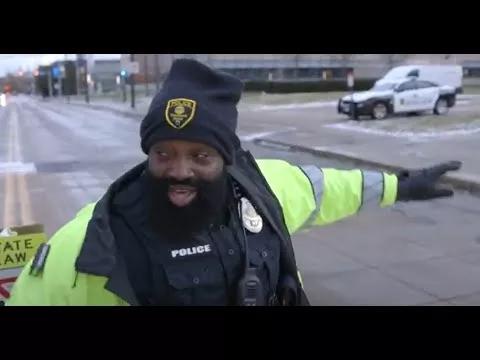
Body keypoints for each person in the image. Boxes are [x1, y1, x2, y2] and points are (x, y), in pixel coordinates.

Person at [7, 59, 461, 306]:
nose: (179, 171)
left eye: (199, 156)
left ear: (225, 159)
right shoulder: (89, 246)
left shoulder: (264, 192)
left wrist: (402, 185)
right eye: (164, 154)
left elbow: (334, 188)